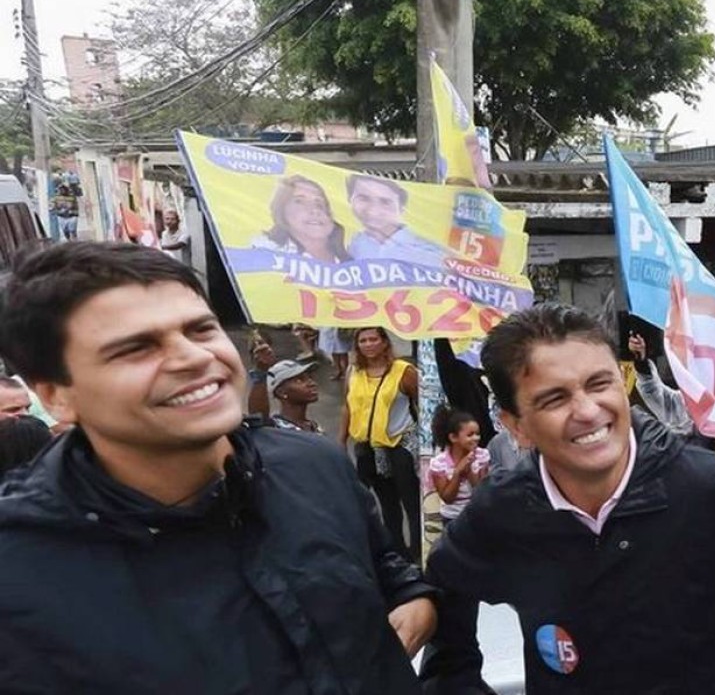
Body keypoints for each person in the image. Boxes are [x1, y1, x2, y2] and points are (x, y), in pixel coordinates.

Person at [0, 242, 437, 691]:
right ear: (55, 396)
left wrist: (414, 597)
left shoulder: (313, 465)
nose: (193, 357)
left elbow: (381, 563)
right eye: (135, 348)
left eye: (201, 329)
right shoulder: (20, 575)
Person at [419, 303, 715, 693]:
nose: (587, 410)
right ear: (516, 426)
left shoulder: (713, 492)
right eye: (555, 398)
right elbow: (442, 600)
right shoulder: (502, 511)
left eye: (599, 384)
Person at [339, 326, 423, 559]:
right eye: (363, 341)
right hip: (368, 447)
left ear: (385, 342)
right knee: (386, 503)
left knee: (411, 501)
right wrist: (341, 441)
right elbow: (347, 406)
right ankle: (397, 551)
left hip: (400, 444)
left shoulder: (403, 371)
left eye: (373, 339)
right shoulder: (353, 372)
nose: (368, 344)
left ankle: (417, 553)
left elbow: (423, 405)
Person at [344, 173, 447, 267]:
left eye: (385, 202)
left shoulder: (428, 250)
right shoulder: (353, 246)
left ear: (402, 208)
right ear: (350, 200)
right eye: (363, 199)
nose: (373, 210)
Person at [252, 174, 349, 263]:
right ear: (281, 210)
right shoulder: (265, 249)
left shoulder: (354, 258)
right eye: (299, 201)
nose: (314, 210)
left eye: (319, 203)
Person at [426, 404, 489, 526]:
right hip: (452, 519)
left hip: (477, 515)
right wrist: (457, 473)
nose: (476, 438)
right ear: (453, 437)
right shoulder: (439, 463)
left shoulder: (482, 456)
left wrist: (469, 469)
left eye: (477, 433)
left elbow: (481, 492)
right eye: (470, 435)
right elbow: (447, 498)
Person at [264, 359, 324, 434]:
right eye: (299, 380)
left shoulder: (314, 427)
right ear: (281, 392)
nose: (312, 383)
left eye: (310, 378)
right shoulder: (277, 431)